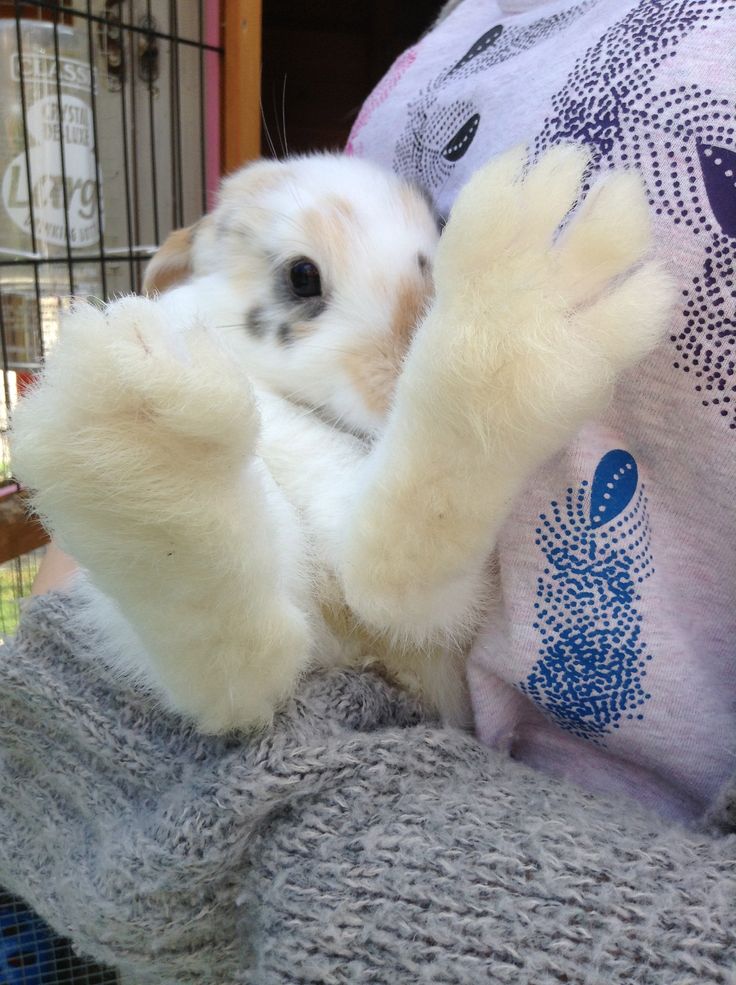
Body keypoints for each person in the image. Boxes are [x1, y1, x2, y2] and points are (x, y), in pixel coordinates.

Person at [1, 1, 734, 982]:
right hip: (260, 641)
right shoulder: (452, 36)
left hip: (417, 758)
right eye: (305, 281)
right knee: (264, 516)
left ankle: (363, 520)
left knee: (391, 569)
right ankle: (222, 588)